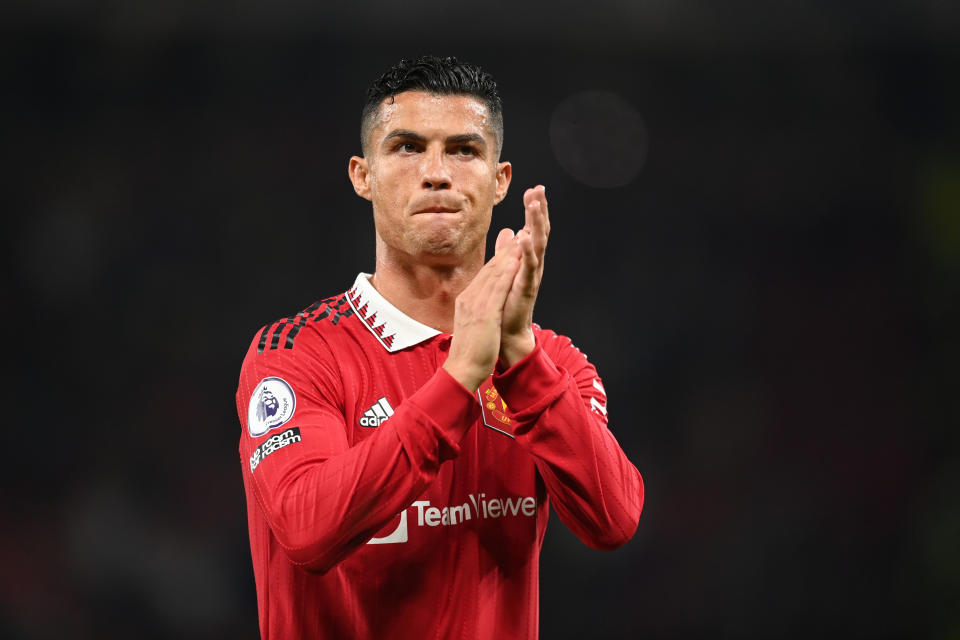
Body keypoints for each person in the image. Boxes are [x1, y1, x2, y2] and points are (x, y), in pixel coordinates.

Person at [235, 55, 644, 639]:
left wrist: (521, 362)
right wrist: (457, 382)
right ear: (362, 175)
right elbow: (307, 529)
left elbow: (615, 520)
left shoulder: (551, 363)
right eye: (405, 147)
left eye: (463, 150)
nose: (436, 173)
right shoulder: (297, 354)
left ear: (500, 180)